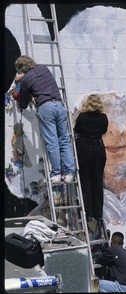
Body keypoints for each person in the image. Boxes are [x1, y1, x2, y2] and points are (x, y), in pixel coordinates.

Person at [14, 55, 75, 184]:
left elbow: (23, 103)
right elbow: (36, 77)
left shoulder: (25, 80)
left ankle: (56, 174)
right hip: (59, 105)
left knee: (52, 142)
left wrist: (19, 82)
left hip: (45, 107)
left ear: (21, 69)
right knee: (64, 140)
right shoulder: (44, 68)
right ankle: (70, 173)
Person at [74, 94, 108, 222]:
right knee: (97, 181)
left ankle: (88, 213)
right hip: (98, 149)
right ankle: (98, 214)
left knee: (86, 181)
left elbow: (77, 130)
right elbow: (103, 130)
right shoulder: (103, 118)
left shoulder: (82, 117)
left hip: (84, 148)